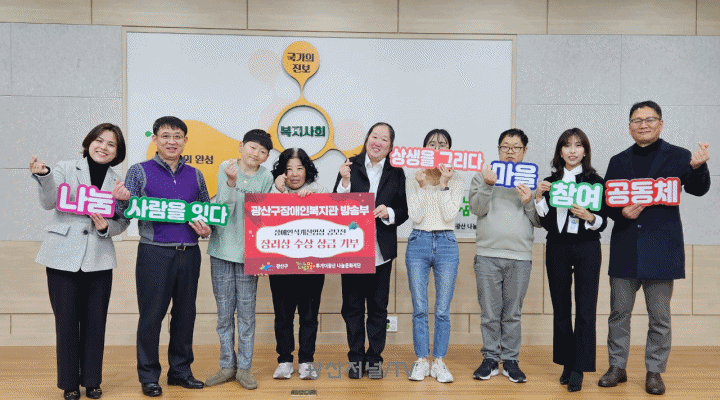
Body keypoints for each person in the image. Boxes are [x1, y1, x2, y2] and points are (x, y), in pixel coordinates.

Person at [598, 101, 710, 395]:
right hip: (625, 249)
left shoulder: (679, 156)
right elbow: (604, 202)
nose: (643, 124)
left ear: (660, 124)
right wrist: (621, 212)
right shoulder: (618, 161)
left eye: (650, 119)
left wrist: (698, 167)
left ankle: (655, 371)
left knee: (659, 317)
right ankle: (617, 367)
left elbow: (698, 189)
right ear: (629, 127)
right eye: (637, 120)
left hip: (661, 250)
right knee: (618, 313)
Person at [113, 116, 212, 397]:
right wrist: (120, 199)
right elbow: (124, 214)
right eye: (165, 136)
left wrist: (207, 228)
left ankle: (180, 371)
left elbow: (207, 212)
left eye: (177, 136)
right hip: (154, 253)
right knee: (151, 316)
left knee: (185, 315)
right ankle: (148, 376)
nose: (172, 142)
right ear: (155, 139)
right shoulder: (139, 171)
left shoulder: (196, 174)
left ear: (185, 140)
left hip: (189, 253)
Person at [30, 123, 129, 400]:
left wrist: (105, 228)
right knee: (66, 323)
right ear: (89, 143)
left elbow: (123, 221)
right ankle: (69, 383)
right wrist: (45, 176)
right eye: (99, 140)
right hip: (62, 256)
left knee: (96, 323)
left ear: (117, 152)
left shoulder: (118, 181)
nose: (104, 147)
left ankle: (92, 381)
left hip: (99, 259)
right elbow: (49, 202)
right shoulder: (64, 168)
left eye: (111, 144)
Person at [333, 122, 409, 379]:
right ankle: (355, 358)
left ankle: (375, 359)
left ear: (390, 146)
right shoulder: (350, 165)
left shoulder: (396, 171)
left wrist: (389, 213)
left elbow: (404, 210)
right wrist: (344, 181)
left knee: (378, 309)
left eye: (384, 139)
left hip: (381, 250)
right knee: (352, 308)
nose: (378, 142)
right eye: (374, 136)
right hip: (352, 249)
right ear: (367, 139)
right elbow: (336, 206)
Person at [534, 128, 607, 392]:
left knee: (586, 309)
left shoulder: (596, 181)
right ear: (560, 151)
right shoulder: (550, 181)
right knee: (561, 308)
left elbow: (603, 221)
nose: (572, 150)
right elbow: (545, 222)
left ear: (585, 151)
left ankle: (579, 367)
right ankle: (566, 361)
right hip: (557, 247)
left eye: (578, 145)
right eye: (567, 145)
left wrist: (590, 217)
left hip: (587, 247)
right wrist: (539, 198)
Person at [204, 129, 274, 390]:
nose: (256, 154)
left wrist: (262, 256)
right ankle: (227, 366)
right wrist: (232, 183)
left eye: (263, 151)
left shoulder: (266, 177)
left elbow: (265, 217)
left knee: (246, 315)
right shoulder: (227, 167)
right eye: (253, 147)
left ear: (266, 157)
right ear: (241, 146)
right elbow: (223, 210)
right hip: (222, 249)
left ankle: (244, 368)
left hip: (249, 256)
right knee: (224, 315)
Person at [469, 128, 541, 383]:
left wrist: (529, 200)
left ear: (524, 151)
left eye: (516, 147)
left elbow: (539, 221)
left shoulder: (532, 180)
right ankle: (490, 358)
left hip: (520, 256)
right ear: (498, 149)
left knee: (512, 313)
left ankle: (510, 360)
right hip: (487, 254)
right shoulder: (483, 176)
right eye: (505, 147)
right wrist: (488, 185)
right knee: (489, 313)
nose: (510, 152)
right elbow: (476, 209)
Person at [405, 129, 464, 383]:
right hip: (418, 241)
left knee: (442, 309)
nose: (437, 148)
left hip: (446, 243)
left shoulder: (457, 178)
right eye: (432, 144)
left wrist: (444, 185)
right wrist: (421, 186)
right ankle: (421, 360)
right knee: (420, 308)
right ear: (423, 149)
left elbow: (449, 215)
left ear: (450, 150)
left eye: (443, 144)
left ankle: (438, 361)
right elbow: (416, 216)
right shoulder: (413, 176)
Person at [269, 148, 329, 380]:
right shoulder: (273, 190)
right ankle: (284, 360)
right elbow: (263, 220)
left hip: (312, 266)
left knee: (309, 315)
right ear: (282, 172)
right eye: (289, 169)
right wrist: (279, 192)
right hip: (281, 266)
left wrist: (313, 200)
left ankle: (306, 360)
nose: (294, 174)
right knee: (283, 315)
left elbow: (333, 219)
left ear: (307, 170)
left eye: (299, 168)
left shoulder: (319, 190)